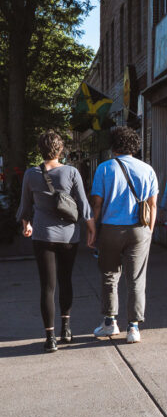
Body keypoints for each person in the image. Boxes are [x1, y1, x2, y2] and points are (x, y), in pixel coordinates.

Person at [16, 130, 95, 353]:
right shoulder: (71, 172)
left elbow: (25, 206)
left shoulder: (31, 174)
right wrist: (91, 229)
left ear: (40, 150)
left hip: (42, 235)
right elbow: (83, 203)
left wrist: (26, 225)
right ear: (60, 150)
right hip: (69, 236)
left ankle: (50, 338)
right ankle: (66, 329)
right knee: (66, 280)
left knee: (47, 287)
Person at [90, 127, 158, 344]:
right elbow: (152, 205)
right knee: (136, 278)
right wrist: (150, 231)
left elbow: (97, 204)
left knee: (110, 275)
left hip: (111, 228)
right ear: (134, 146)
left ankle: (110, 322)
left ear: (113, 145)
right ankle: (133, 327)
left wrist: (92, 230)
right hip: (139, 228)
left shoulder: (104, 168)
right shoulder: (147, 169)